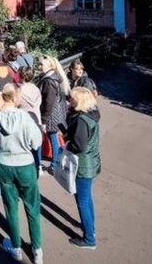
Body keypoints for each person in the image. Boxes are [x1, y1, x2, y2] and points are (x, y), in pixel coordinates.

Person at [0, 83, 44, 263]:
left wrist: (1, 147)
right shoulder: (25, 117)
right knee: (32, 207)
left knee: (11, 208)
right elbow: (36, 143)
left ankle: (16, 248)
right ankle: (37, 250)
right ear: (17, 97)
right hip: (25, 165)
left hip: (4, 165)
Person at [65, 87, 101, 250]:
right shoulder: (91, 115)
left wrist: (66, 143)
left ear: (78, 101)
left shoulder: (80, 120)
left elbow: (78, 145)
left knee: (82, 202)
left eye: (72, 99)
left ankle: (89, 239)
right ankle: (90, 226)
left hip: (82, 165)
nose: (69, 101)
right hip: (91, 162)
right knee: (87, 198)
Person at [38, 55, 71, 170]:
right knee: (55, 138)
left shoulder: (49, 81)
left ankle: (55, 165)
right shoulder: (56, 77)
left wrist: (44, 120)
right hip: (57, 113)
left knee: (53, 138)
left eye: (42, 64)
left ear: (50, 65)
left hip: (51, 115)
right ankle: (56, 162)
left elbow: (48, 102)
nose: (40, 66)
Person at [19, 66, 44, 176]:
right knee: (37, 144)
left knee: (26, 146)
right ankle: (39, 166)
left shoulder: (19, 91)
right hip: (36, 118)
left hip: (24, 122)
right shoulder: (36, 89)